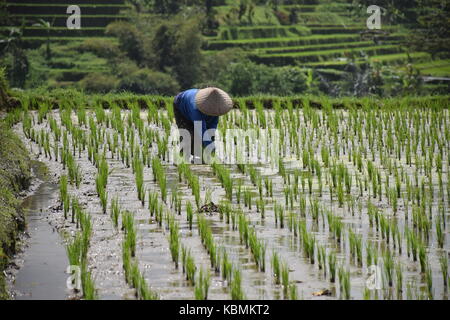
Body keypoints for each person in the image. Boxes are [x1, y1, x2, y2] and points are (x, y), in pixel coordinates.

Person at [173, 87, 233, 163]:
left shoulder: (216, 109)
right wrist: (211, 148)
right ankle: (181, 159)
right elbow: (201, 130)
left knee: (207, 137)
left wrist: (211, 141)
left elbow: (212, 128)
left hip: (193, 106)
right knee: (188, 135)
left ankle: (199, 158)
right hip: (181, 105)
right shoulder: (195, 109)